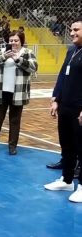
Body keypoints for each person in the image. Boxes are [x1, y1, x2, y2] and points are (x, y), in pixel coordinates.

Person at [44, 17, 82, 203]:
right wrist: (55, 99)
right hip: (65, 106)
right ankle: (67, 181)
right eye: (72, 29)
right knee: (67, 145)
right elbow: (61, 76)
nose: (73, 33)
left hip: (79, 110)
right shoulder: (71, 50)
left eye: (77, 30)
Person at [0, 30, 38, 155]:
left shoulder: (27, 53)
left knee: (15, 120)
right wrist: (4, 57)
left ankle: (12, 146)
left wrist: (18, 59)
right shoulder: (1, 51)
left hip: (18, 92)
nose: (13, 43)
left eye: (16, 40)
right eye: (11, 40)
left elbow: (34, 68)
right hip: (1, 91)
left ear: (21, 41)